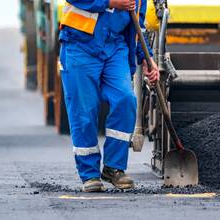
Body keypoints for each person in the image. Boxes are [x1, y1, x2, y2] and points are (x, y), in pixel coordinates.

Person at [59, 0, 160, 192]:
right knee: (84, 110)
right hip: (80, 43)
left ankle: (114, 167)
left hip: (115, 47)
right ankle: (89, 174)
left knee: (125, 99)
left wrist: (146, 58)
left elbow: (137, 22)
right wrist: (110, 2)